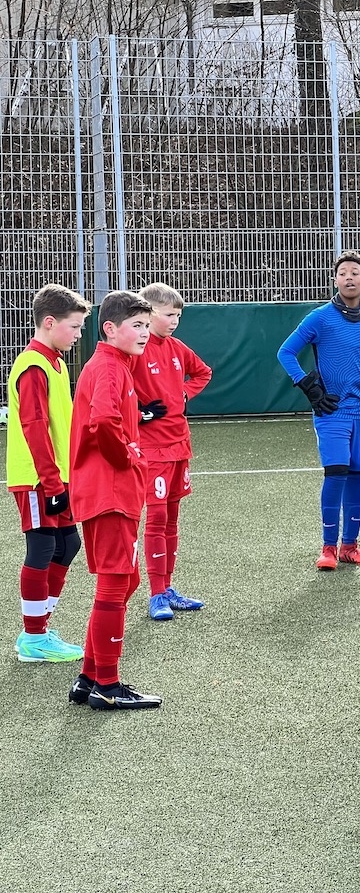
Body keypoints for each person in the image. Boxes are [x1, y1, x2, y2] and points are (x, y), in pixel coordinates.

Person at [67, 290, 163, 709]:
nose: (145, 333)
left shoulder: (115, 364)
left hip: (109, 490)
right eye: (137, 325)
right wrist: (128, 456)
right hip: (109, 490)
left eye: (147, 325)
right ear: (110, 329)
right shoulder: (108, 366)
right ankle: (107, 685)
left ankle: (90, 677)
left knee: (127, 579)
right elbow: (103, 421)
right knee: (116, 579)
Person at [277, 251, 360, 570]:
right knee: (336, 473)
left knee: (357, 474)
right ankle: (328, 548)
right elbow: (286, 352)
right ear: (335, 280)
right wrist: (308, 386)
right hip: (331, 412)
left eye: (354, 272)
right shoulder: (319, 318)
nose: (348, 277)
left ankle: (350, 547)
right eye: (343, 273)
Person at [6, 284, 90, 664]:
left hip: (57, 476)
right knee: (42, 548)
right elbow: (34, 428)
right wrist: (53, 483)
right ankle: (33, 638)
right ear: (51, 322)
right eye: (74, 327)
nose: (78, 335)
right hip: (38, 478)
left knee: (67, 545)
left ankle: (39, 628)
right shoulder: (33, 365)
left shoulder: (55, 362)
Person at [134, 282, 214, 621]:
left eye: (178, 316)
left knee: (172, 519)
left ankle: (167, 588)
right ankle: (155, 594)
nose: (174, 322)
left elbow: (203, 372)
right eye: (169, 315)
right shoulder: (136, 349)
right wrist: (138, 411)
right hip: (152, 450)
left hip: (180, 445)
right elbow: (119, 390)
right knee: (155, 519)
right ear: (149, 314)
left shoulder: (177, 348)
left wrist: (184, 393)